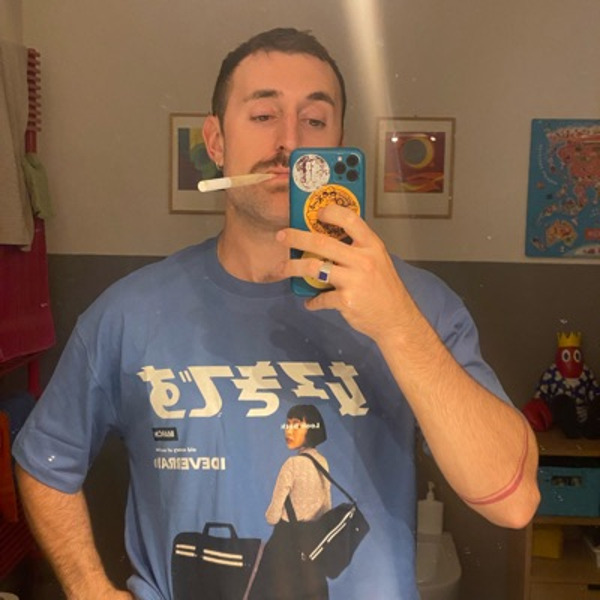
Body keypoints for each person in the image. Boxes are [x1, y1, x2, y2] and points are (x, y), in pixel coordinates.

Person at [13, 27, 540, 600]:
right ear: (216, 142)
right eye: (263, 115)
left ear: (338, 144)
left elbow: (514, 501)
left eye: (314, 120)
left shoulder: (421, 305)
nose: (290, 141)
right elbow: (46, 460)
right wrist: (89, 587)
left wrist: (397, 325)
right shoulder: (127, 312)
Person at [250, 404, 331, 599]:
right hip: (312, 543)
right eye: (288, 424)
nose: (289, 431)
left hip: (285, 544)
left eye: (297, 425)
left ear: (311, 429)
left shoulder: (292, 464)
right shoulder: (323, 462)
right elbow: (327, 507)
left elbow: (272, 517)